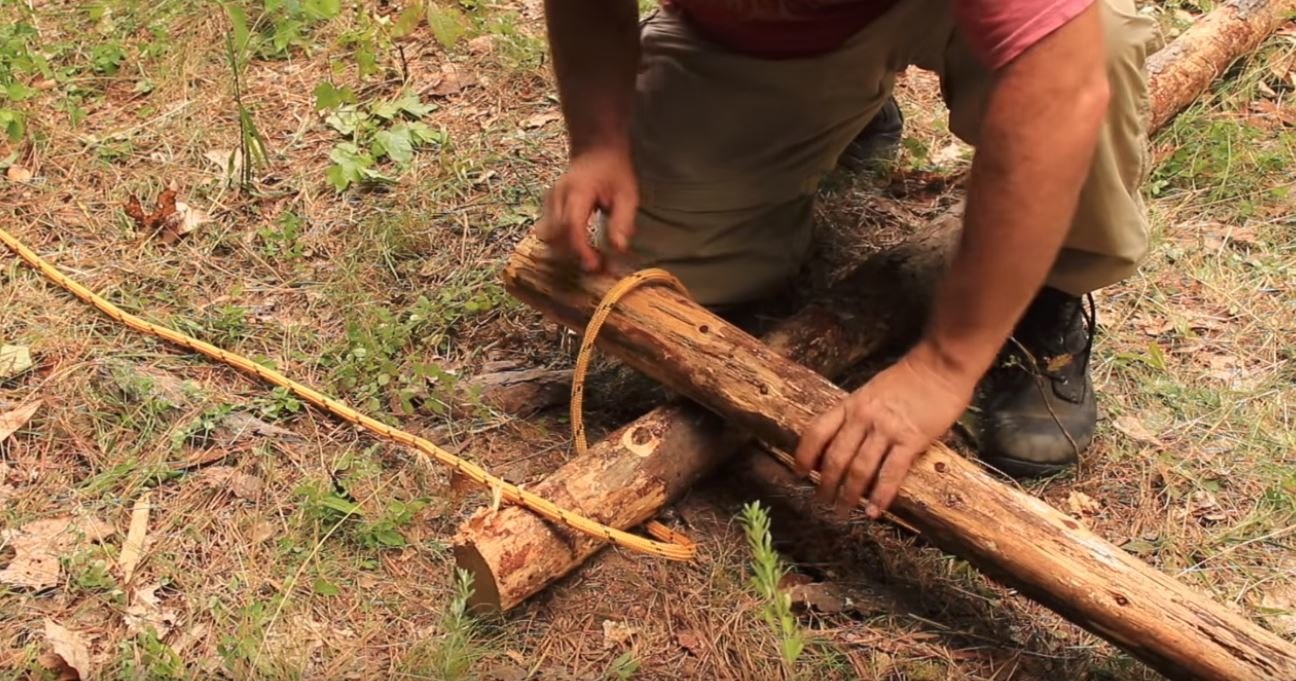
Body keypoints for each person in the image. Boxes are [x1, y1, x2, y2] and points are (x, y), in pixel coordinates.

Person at [534, 0, 1155, 518]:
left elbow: (1060, 87)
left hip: (1018, 32)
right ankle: (843, 95)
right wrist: (599, 142)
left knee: (1095, 43)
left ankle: (1048, 287)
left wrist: (945, 364)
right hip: (768, 35)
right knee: (675, 257)